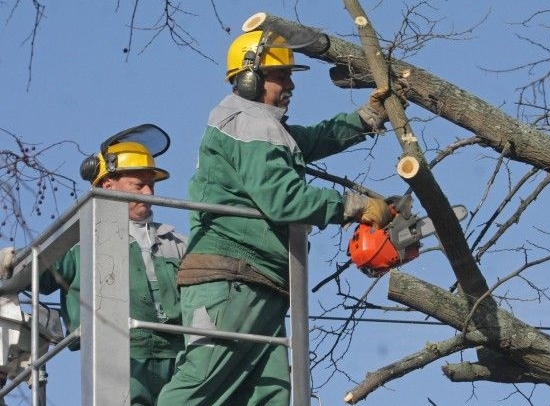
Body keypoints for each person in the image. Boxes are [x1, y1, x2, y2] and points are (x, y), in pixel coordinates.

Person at [157, 30, 399, 406]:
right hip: (232, 276)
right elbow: (283, 199)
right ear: (250, 78)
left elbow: (309, 141)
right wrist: (352, 206)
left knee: (269, 396)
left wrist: (364, 119)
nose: (290, 85)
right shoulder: (248, 122)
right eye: (281, 76)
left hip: (261, 279)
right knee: (199, 386)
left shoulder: (261, 125)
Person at [1, 129, 187, 406]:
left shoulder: (176, 242)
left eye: (152, 186)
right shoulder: (81, 240)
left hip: (179, 356)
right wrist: (11, 263)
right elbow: (38, 270)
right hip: (121, 352)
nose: (149, 193)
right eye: (139, 185)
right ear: (108, 185)